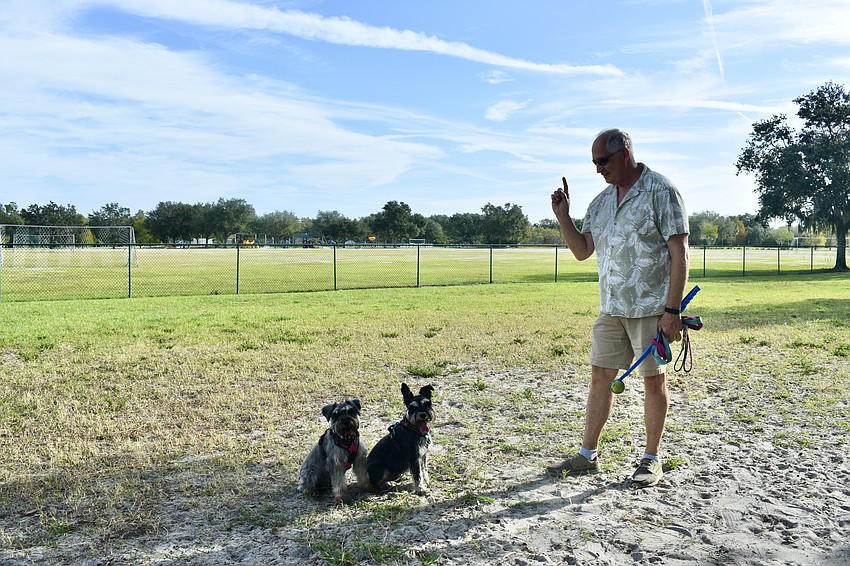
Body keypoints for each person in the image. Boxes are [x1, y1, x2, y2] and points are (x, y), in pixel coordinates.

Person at [547, 128, 689, 487]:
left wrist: (672, 311)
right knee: (600, 377)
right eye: (594, 163)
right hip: (611, 307)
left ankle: (651, 460)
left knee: (653, 381)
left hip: (651, 308)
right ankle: (587, 455)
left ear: (624, 153)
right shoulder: (600, 203)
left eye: (603, 161)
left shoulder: (661, 190)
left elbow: (679, 252)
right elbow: (582, 250)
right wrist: (563, 216)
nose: (598, 169)